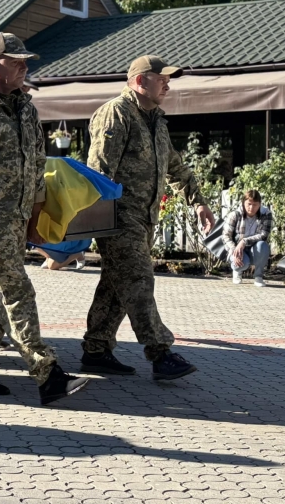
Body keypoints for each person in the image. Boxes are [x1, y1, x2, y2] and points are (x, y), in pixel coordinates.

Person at [0, 32, 88, 405]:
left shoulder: (25, 106)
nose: (24, 66)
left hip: (17, 217)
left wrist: (35, 211)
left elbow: (36, 163)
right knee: (17, 291)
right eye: (16, 61)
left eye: (26, 61)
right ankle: (47, 372)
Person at [83, 55, 215, 381]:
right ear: (141, 81)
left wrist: (198, 202)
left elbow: (176, 166)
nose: (168, 85)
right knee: (140, 280)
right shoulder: (116, 114)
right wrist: (90, 225)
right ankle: (160, 352)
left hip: (145, 217)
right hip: (118, 216)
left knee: (116, 285)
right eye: (162, 79)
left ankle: (96, 350)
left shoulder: (155, 119)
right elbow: (98, 172)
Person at [223, 190, 273, 287]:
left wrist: (244, 241)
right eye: (249, 204)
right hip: (236, 247)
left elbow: (264, 235)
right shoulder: (235, 215)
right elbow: (226, 236)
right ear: (243, 203)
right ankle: (237, 272)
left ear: (259, 204)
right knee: (243, 264)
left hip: (255, 248)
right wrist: (234, 250)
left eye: (255, 205)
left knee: (263, 245)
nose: (251, 207)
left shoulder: (266, 214)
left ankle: (258, 276)